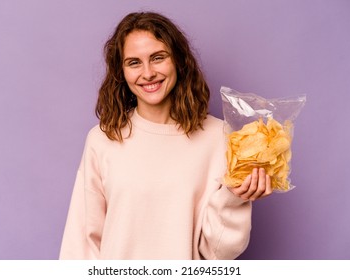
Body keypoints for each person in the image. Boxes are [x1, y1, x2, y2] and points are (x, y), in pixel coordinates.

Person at [59, 11, 271, 260]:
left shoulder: (219, 137)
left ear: (178, 61)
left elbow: (217, 253)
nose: (147, 73)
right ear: (121, 72)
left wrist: (234, 199)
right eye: (134, 62)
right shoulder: (103, 139)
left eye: (158, 58)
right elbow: (81, 243)